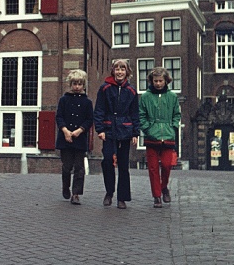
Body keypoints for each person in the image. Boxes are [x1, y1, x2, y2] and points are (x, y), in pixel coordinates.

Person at [94, 59, 139, 209]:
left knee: (123, 165)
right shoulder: (105, 88)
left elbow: (134, 113)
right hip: (108, 130)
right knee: (107, 161)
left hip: (125, 130)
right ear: (113, 71)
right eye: (117, 69)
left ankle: (122, 198)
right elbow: (99, 110)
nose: (120, 72)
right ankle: (109, 192)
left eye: (123, 69)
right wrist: (100, 129)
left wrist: (135, 132)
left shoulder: (131, 91)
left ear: (127, 72)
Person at [139, 67, 181, 208]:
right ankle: (156, 196)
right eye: (155, 81)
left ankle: (164, 187)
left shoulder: (172, 97)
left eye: (160, 81)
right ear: (151, 81)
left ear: (166, 81)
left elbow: (176, 114)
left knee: (167, 165)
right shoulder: (145, 97)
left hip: (168, 136)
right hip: (152, 137)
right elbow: (141, 115)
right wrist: (148, 129)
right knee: (153, 168)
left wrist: (173, 127)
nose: (158, 83)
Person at [55, 69, 94, 205]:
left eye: (79, 84)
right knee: (67, 166)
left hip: (80, 138)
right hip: (65, 138)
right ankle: (66, 186)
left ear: (83, 85)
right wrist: (65, 131)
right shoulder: (64, 100)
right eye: (74, 84)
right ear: (70, 84)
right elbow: (59, 117)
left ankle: (76, 193)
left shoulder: (87, 102)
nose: (77, 87)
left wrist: (80, 130)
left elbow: (89, 119)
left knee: (79, 168)